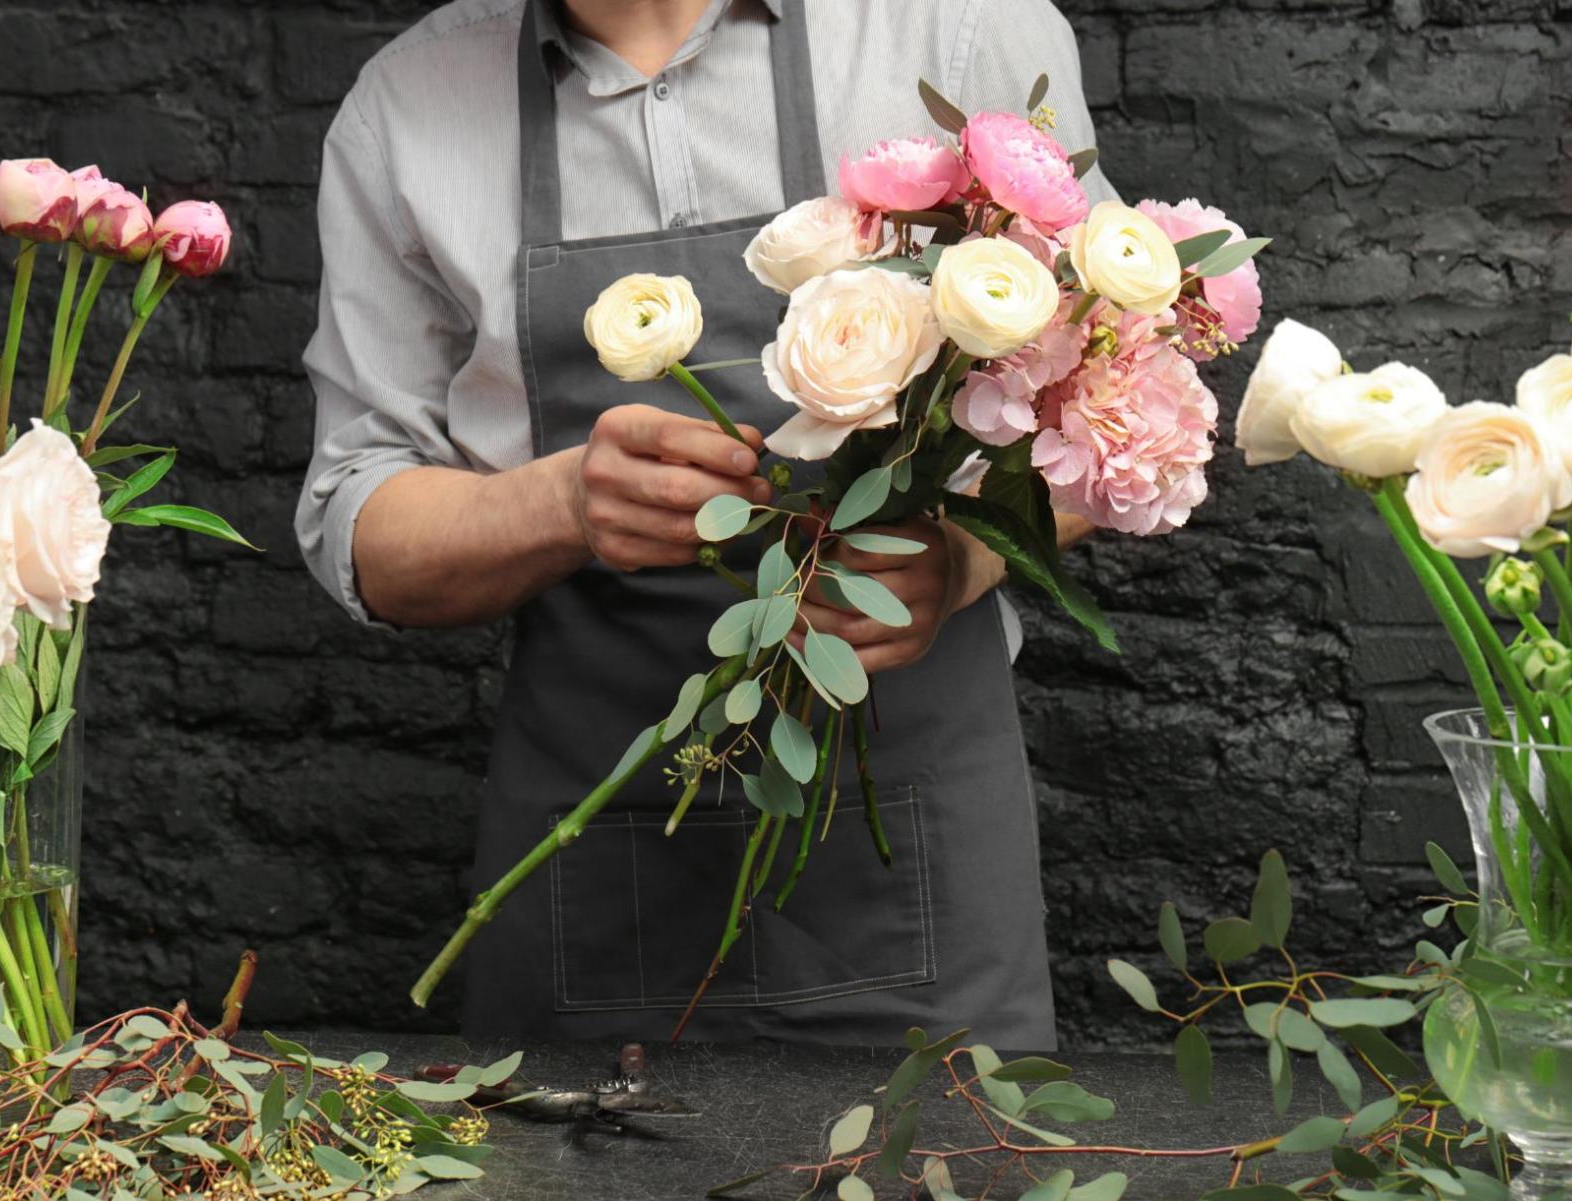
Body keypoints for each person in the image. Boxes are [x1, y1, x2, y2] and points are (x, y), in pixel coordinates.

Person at [297, 0, 1117, 1049]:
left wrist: (954, 559)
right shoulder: (406, 108)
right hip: (590, 884)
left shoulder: (950, 30)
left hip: (915, 863)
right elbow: (356, 521)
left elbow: (1110, 403)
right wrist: (558, 502)